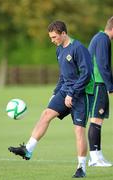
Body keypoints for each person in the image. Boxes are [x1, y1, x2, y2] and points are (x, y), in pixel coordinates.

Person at [8, 21, 93, 178]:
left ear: (63, 33)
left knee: (79, 130)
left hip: (81, 94)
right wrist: (56, 93)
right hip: (65, 90)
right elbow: (63, 74)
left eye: (54, 37)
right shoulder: (59, 50)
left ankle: (81, 168)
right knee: (46, 113)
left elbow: (86, 74)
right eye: (51, 37)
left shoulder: (78, 48)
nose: (52, 40)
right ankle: (28, 149)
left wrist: (72, 93)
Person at [88, 16, 113, 167]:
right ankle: (94, 158)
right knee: (96, 120)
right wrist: (110, 86)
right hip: (98, 84)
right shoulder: (104, 39)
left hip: (99, 83)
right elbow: (103, 64)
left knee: (98, 120)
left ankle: (98, 155)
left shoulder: (100, 37)